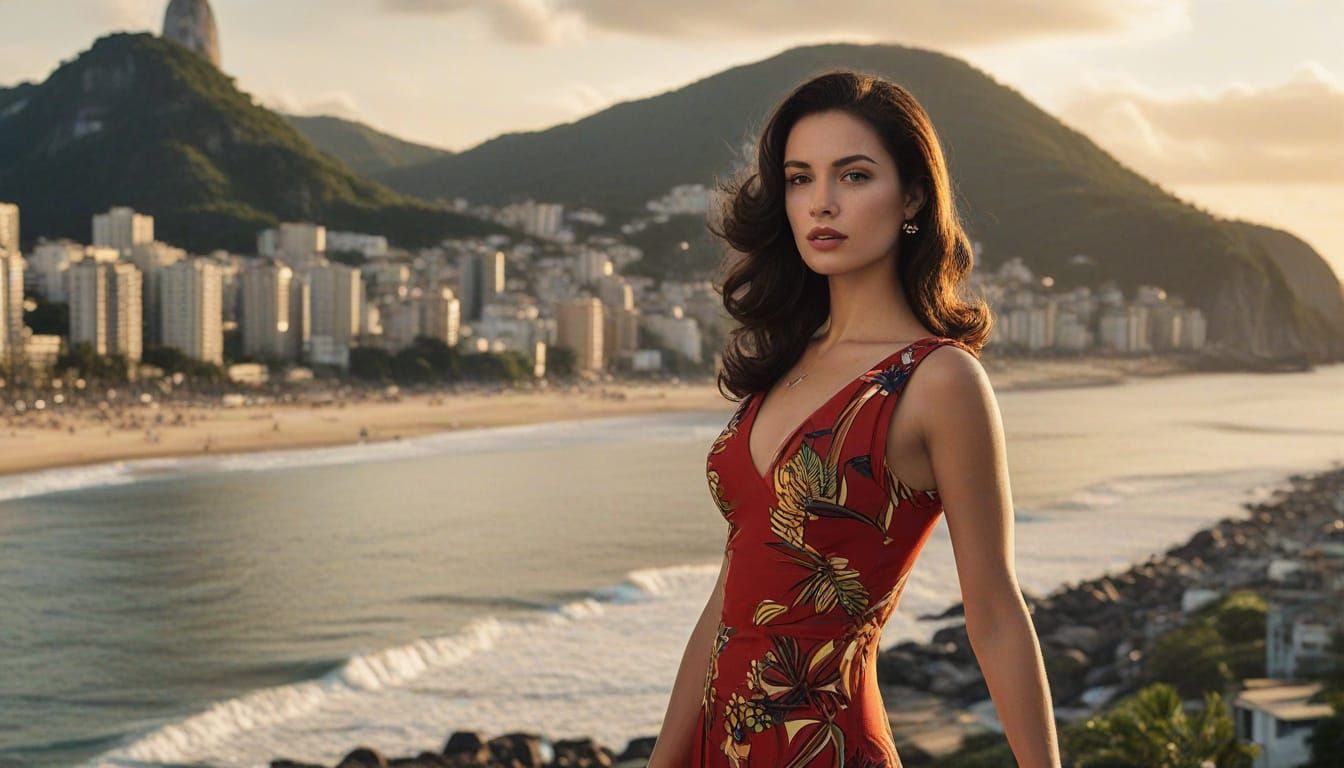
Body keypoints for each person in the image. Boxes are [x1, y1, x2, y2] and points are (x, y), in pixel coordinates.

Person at [648, 70, 1062, 767]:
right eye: (801, 178)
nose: (822, 204)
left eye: (854, 175)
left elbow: (993, 613)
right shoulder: (784, 363)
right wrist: (664, 759)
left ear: (913, 197)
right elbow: (730, 599)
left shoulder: (938, 380)